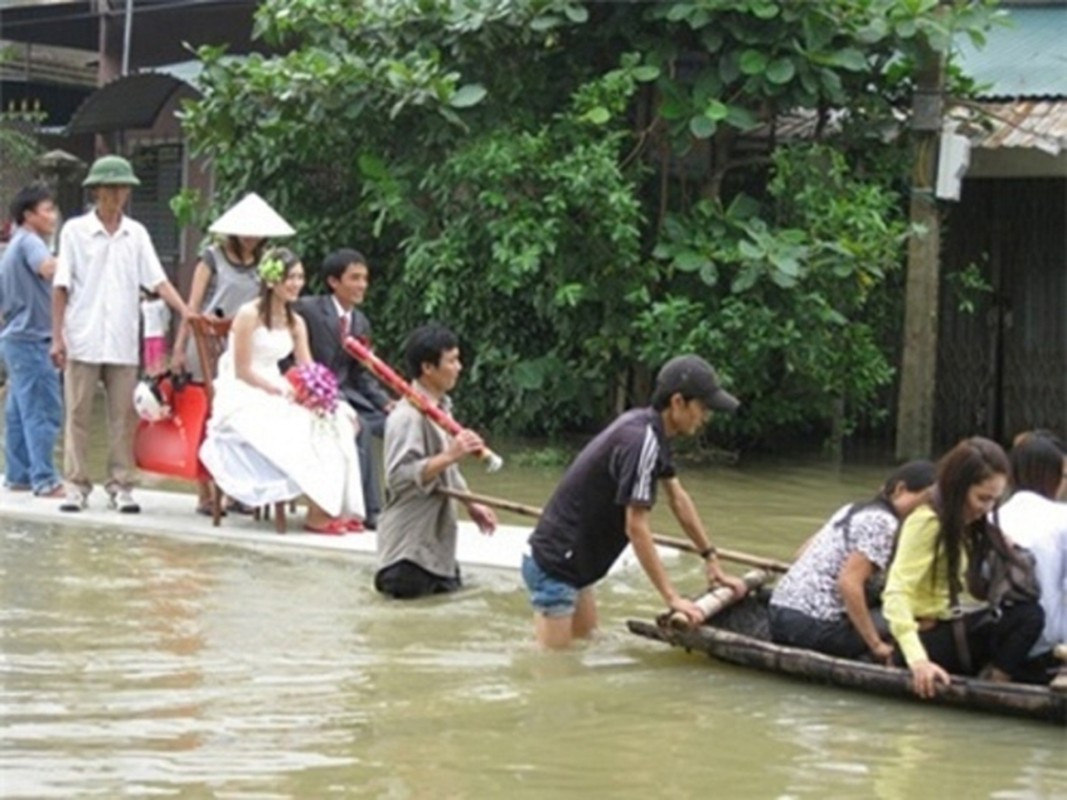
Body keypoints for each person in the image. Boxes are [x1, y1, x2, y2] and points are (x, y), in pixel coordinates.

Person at [524, 355, 748, 650]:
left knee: (587, 645)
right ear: (678, 402)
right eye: (703, 407)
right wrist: (672, 598)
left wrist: (710, 558)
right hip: (558, 565)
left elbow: (678, 500)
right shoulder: (641, 441)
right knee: (553, 672)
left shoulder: (653, 433)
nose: (705, 416)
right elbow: (636, 526)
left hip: (576, 566)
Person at [51, 155, 190, 513]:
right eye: (111, 188)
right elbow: (61, 286)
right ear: (96, 191)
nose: (118, 195)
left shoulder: (136, 234)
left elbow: (157, 280)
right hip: (83, 334)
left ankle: (121, 485)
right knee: (79, 414)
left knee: (124, 416)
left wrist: (186, 311)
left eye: (123, 188)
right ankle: (76, 485)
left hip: (123, 339)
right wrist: (58, 336)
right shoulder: (75, 232)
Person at [198, 248, 364, 533]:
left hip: (280, 384)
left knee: (337, 419)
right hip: (244, 390)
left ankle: (329, 506)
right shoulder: (249, 315)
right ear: (272, 281)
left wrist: (319, 393)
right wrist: (278, 390)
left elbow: (307, 366)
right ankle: (319, 511)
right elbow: (242, 370)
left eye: (300, 277)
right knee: (301, 426)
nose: (297, 284)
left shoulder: (296, 321)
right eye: (290, 277)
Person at [883, 437, 1045, 698]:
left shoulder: (966, 524)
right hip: (928, 639)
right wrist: (918, 661)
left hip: (951, 625)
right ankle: (994, 687)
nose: (987, 509)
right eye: (982, 498)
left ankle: (996, 679)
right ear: (959, 487)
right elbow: (896, 592)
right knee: (1029, 618)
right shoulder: (928, 523)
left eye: (994, 501)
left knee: (1028, 615)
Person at [170, 192, 293, 515]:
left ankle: (238, 490)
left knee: (247, 421)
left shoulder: (267, 264)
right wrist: (179, 349)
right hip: (208, 346)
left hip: (248, 351)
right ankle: (204, 493)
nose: (251, 238)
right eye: (245, 230)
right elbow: (193, 307)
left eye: (257, 231)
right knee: (209, 420)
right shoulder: (212, 258)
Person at [374, 323, 497, 599]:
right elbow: (398, 478)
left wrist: (471, 503)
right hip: (408, 551)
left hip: (437, 548)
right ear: (428, 368)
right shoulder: (406, 417)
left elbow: (447, 472)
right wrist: (450, 454)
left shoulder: (442, 408)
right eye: (451, 360)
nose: (459, 367)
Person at [768, 460, 936, 662]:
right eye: (926, 501)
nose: (927, 511)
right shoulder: (884, 523)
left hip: (779, 614)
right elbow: (848, 583)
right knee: (915, 614)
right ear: (900, 489)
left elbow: (801, 554)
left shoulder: (853, 508)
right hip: (814, 627)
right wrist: (876, 645)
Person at [294, 248, 393, 530]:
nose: (362, 285)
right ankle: (370, 510)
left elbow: (362, 374)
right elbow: (289, 353)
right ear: (333, 281)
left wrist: (386, 403)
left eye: (365, 278)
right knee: (358, 425)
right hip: (314, 396)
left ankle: (403, 507)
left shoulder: (361, 322)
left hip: (350, 394)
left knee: (398, 424)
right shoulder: (308, 310)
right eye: (355, 278)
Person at [0, 183, 64, 497]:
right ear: (28, 216)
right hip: (32, 340)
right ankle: (45, 479)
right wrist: (78, 261)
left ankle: (19, 474)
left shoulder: (11, 246)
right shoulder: (30, 243)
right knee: (42, 409)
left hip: (13, 338)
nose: (53, 216)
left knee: (17, 411)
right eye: (47, 210)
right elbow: (49, 268)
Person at [996, 431, 1067, 681]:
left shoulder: (993, 517)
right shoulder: (1062, 517)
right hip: (1050, 649)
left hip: (1001, 643)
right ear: (1054, 476)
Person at [139, 289, 170, 376]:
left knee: (158, 358)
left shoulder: (160, 304)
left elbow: (165, 317)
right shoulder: (144, 305)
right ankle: (150, 374)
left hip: (158, 334)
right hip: (148, 334)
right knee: (149, 358)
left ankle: (158, 374)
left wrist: (165, 330)